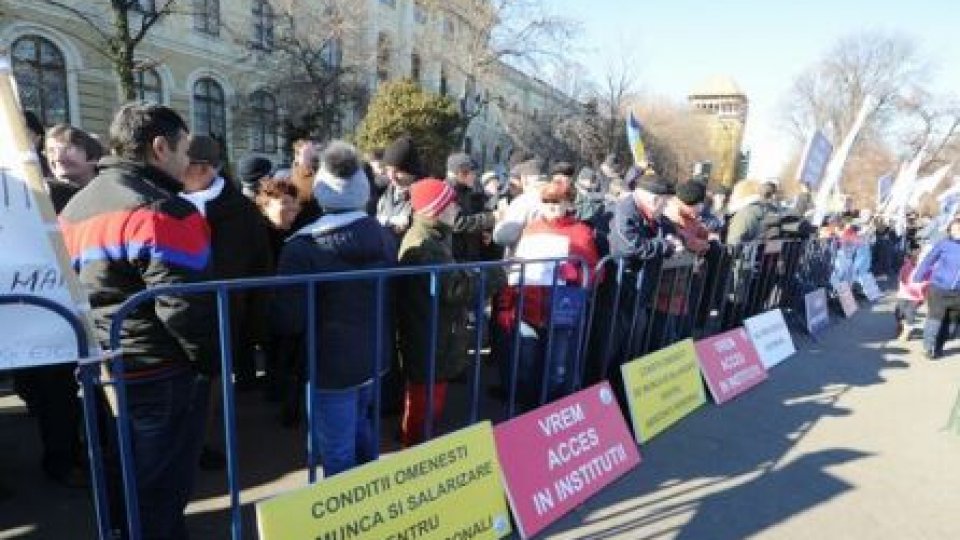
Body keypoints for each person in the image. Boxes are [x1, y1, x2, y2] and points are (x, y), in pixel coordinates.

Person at [59, 103, 216, 538]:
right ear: (160, 148)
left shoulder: (74, 207)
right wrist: (208, 361)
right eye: (185, 148)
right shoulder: (163, 210)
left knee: (116, 479)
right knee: (159, 491)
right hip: (158, 369)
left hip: (101, 366)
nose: (188, 159)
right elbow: (183, 307)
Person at [274, 141, 397, 474]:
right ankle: (369, 491)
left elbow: (289, 318)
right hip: (374, 355)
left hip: (329, 364)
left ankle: (347, 519)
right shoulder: (386, 237)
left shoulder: (301, 247)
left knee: (336, 450)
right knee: (359, 427)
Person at [11, 123, 102, 489]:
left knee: (83, 388)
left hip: (85, 302)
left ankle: (88, 453)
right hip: (46, 307)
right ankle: (64, 459)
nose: (55, 156)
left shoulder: (79, 194)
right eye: (50, 150)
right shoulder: (38, 192)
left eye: (66, 148)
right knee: (54, 391)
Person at [180, 135, 273, 468]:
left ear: (204, 168)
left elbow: (259, 268)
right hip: (171, 317)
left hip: (221, 318)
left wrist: (255, 324)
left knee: (211, 388)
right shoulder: (163, 199)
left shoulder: (241, 211)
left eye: (183, 163)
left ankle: (201, 443)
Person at [494, 180, 600, 409]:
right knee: (525, 365)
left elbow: (596, 273)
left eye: (557, 202)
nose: (551, 207)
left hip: (561, 312)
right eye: (547, 202)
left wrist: (578, 273)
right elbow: (516, 268)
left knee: (556, 369)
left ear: (568, 203)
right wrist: (506, 304)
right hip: (528, 308)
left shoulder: (581, 233)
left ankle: (550, 416)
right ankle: (525, 414)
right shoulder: (531, 228)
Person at [395, 179, 475, 446]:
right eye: (451, 204)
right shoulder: (426, 244)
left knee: (429, 396)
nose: (457, 209)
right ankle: (415, 451)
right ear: (434, 210)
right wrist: (494, 275)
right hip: (428, 335)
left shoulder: (433, 236)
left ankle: (419, 441)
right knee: (425, 400)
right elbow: (454, 288)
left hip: (432, 331)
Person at [914, 217, 960, 359]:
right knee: (935, 319)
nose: (957, 231)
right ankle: (928, 348)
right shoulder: (944, 244)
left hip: (957, 293)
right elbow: (929, 259)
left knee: (951, 328)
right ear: (950, 230)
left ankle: (939, 346)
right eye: (955, 229)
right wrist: (919, 275)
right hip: (939, 288)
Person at [492, 158, 549, 257]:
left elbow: (503, 236)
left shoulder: (523, 201)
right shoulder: (559, 197)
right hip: (552, 261)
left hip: (525, 262)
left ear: (525, 179)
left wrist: (501, 220)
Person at [446, 152, 496, 262]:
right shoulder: (447, 193)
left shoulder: (467, 191)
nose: (475, 177)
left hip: (470, 255)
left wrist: (484, 230)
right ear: (461, 173)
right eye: (472, 173)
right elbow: (457, 222)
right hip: (455, 257)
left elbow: (473, 216)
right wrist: (491, 218)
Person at [377, 135, 422, 239]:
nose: (392, 177)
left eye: (398, 171)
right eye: (388, 170)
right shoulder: (386, 192)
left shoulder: (425, 197)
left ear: (412, 171)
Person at [288, 139, 321, 232]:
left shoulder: (319, 171)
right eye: (308, 152)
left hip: (319, 223)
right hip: (304, 225)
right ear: (297, 156)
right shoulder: (294, 175)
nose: (313, 155)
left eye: (313, 151)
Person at [896, 244, 928, 341]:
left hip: (917, 295)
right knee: (899, 311)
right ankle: (901, 326)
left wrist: (925, 295)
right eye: (914, 258)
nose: (917, 260)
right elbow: (900, 278)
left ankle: (907, 332)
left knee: (910, 312)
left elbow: (928, 282)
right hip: (904, 293)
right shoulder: (906, 266)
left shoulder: (926, 269)